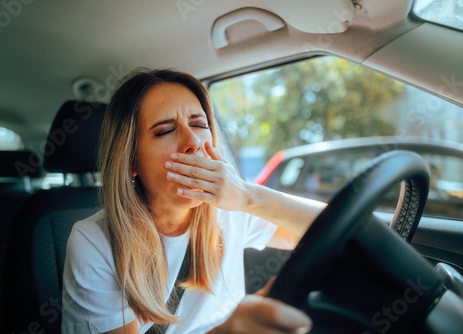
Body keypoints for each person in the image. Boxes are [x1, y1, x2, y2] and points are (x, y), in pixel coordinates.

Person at [61, 69, 325, 334]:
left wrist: (246, 196)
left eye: (199, 125)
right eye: (165, 130)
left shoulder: (231, 210)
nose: (194, 142)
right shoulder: (93, 242)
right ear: (131, 161)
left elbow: (331, 229)